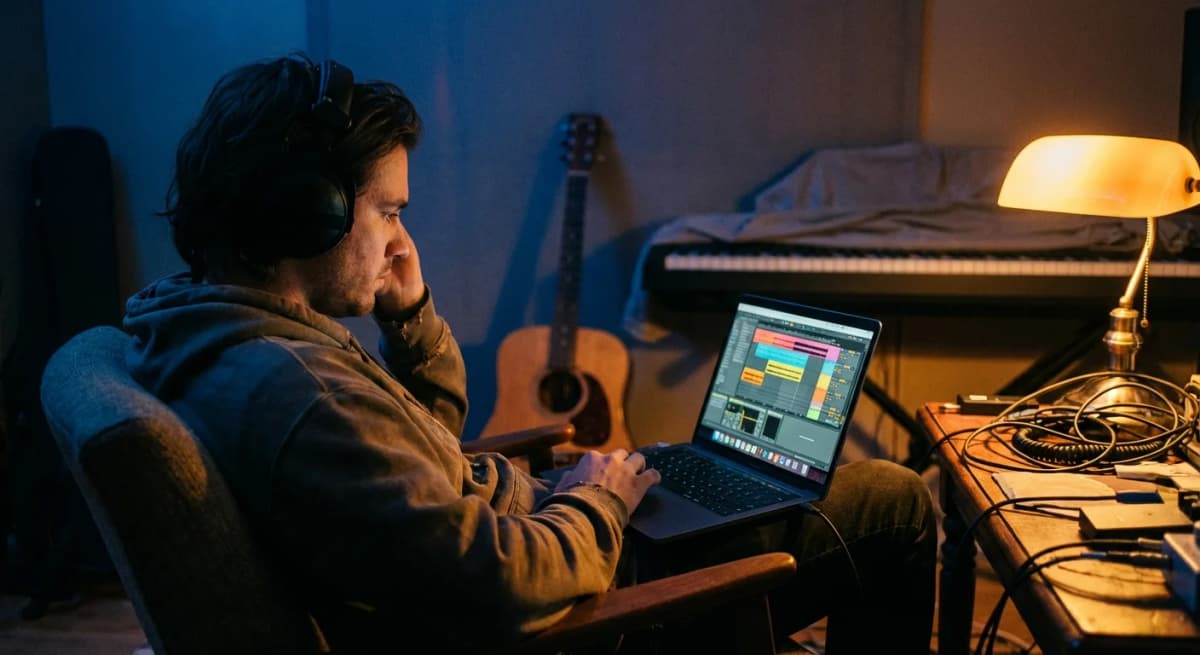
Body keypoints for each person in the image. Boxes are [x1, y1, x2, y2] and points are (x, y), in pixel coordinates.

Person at [123, 53, 936, 653]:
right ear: (311, 215)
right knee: (894, 496)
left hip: (545, 529)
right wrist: (601, 502)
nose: (402, 238)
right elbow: (498, 584)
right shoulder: (303, 393)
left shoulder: (212, 334)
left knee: (684, 473)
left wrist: (407, 320)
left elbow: (421, 450)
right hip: (576, 609)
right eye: (390, 212)